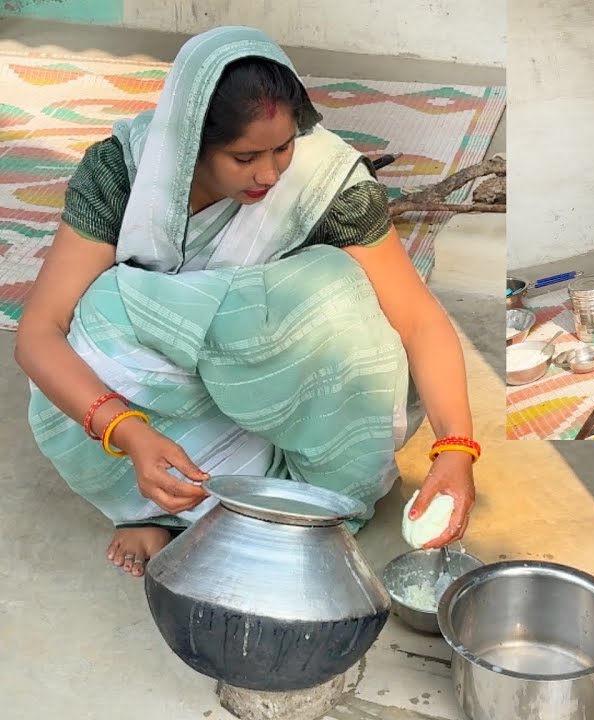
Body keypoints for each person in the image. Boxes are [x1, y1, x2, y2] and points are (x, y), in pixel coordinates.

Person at [16, 26, 478, 577]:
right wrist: (129, 432)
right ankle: (155, 503)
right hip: (157, 400)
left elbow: (419, 320)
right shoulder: (125, 172)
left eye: (283, 146)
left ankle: (276, 492)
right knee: (102, 317)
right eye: (244, 156)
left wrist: (455, 447)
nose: (270, 173)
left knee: (335, 290)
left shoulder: (327, 181)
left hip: (270, 391)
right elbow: (39, 332)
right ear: (190, 144)